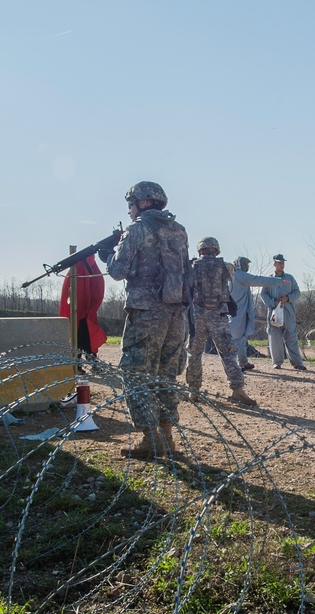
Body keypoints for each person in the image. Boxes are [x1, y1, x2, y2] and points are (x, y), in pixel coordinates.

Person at [99, 181, 189, 460]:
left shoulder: (137, 229)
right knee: (167, 374)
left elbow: (118, 271)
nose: (129, 210)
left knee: (136, 373)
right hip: (176, 313)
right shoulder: (179, 231)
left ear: (144, 202)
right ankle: (168, 437)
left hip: (146, 313)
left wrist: (107, 256)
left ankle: (151, 439)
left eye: (131, 204)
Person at [184, 238, 258, 406]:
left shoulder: (192, 267)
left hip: (198, 317)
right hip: (219, 316)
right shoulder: (227, 267)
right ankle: (237, 390)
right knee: (228, 354)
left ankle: (193, 391)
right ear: (216, 249)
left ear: (200, 250)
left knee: (194, 354)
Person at [228, 256, 288, 371]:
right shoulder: (240, 275)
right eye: (246, 264)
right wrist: (278, 281)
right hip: (238, 312)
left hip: (237, 311)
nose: (247, 266)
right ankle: (235, 365)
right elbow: (258, 280)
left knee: (240, 338)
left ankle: (243, 362)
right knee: (238, 339)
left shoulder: (233, 275)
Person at [260, 254, 306, 370]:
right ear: (274, 264)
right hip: (274, 312)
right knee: (275, 337)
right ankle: (277, 362)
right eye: (279, 262)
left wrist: (288, 298)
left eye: (283, 262)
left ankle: (297, 363)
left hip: (288, 312)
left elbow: (297, 292)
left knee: (292, 337)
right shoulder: (269, 279)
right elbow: (263, 294)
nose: (282, 264)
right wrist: (273, 302)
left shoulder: (290, 278)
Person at [59, 254, 107, 362]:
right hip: (78, 313)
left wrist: (91, 307)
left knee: (87, 338)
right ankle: (79, 364)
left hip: (86, 313)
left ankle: (90, 362)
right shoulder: (77, 268)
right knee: (80, 339)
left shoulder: (90, 268)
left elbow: (98, 287)